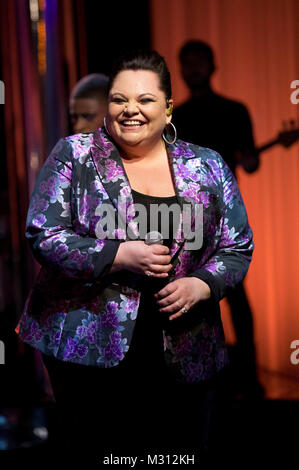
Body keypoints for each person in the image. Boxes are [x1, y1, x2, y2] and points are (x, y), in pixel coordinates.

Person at [16, 49, 254, 462]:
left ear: (167, 106)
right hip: (88, 349)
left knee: (176, 451)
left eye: (145, 100)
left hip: (183, 346)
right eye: (119, 99)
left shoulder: (207, 166)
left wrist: (203, 284)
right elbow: (43, 232)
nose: (131, 110)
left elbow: (236, 246)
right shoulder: (75, 156)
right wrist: (117, 254)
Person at [174, 40, 262, 397]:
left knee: (236, 295)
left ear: (212, 66)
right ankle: (196, 378)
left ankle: (248, 379)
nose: (194, 68)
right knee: (190, 297)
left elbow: (252, 162)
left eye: (199, 61)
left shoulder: (235, 112)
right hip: (185, 221)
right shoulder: (173, 118)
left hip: (226, 218)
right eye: (188, 62)